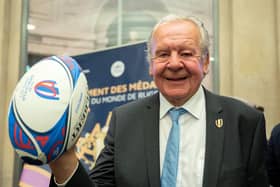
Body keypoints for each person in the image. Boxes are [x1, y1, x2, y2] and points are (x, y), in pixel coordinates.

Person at [49, 14, 269, 187]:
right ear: (151, 66)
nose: (174, 64)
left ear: (205, 63)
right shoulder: (124, 120)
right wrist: (63, 159)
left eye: (185, 53)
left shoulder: (245, 122)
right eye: (163, 54)